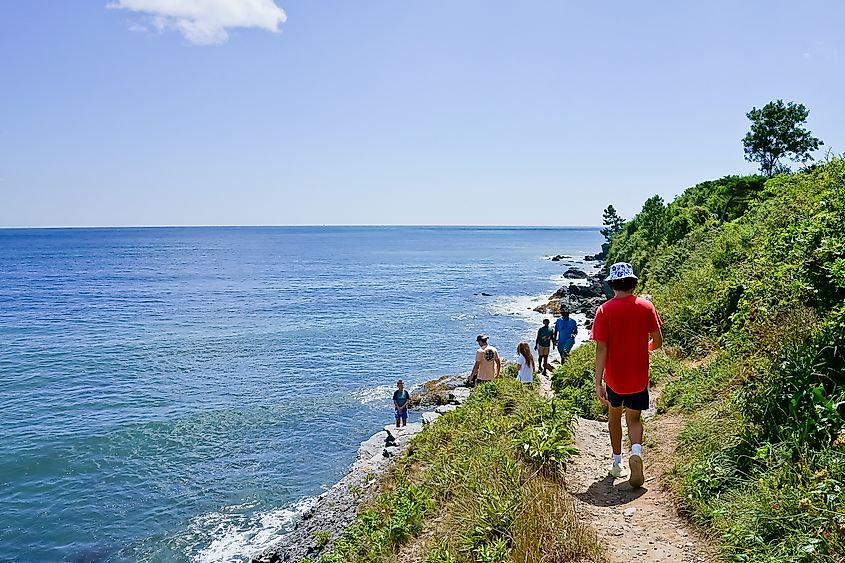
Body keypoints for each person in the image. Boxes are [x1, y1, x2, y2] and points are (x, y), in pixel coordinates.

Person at [592, 262, 663, 488]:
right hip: (638, 377)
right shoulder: (646, 306)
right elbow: (658, 340)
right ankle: (637, 452)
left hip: (615, 380)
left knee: (615, 418)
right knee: (634, 419)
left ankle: (617, 463)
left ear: (612, 284)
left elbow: (601, 349)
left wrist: (598, 381)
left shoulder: (604, 311)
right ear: (633, 283)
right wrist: (646, 348)